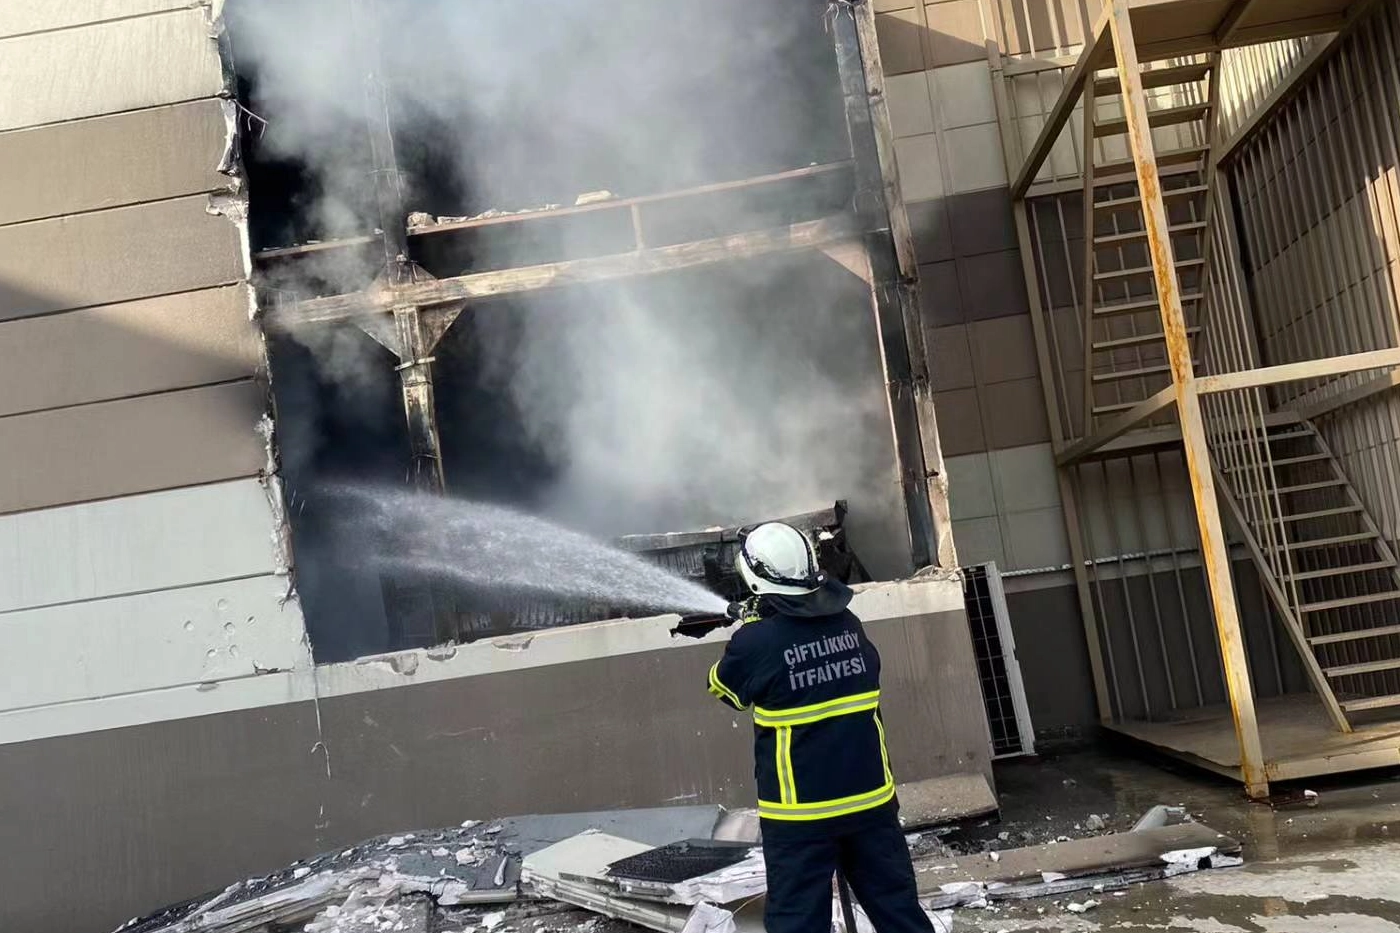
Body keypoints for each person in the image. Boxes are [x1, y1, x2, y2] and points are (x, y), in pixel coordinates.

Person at [707, 522, 934, 933]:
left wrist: (754, 628)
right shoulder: (849, 625)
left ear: (755, 580)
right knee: (898, 911)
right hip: (871, 801)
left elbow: (724, 689)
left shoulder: (755, 643)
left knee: (798, 922)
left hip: (801, 815)